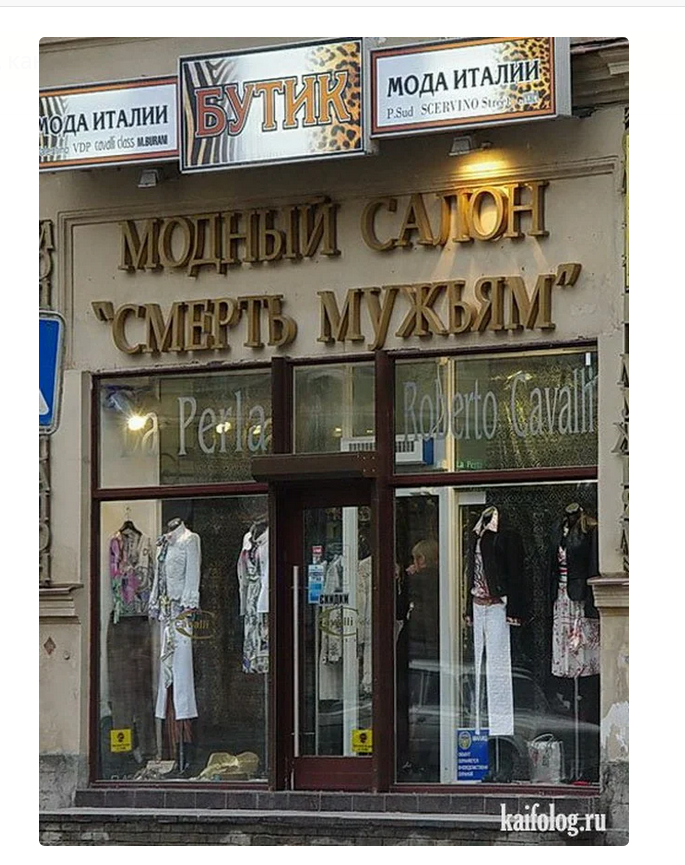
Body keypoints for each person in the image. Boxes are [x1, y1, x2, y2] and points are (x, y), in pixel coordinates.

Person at [396, 539, 440, 781]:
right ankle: (428, 758)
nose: (413, 564)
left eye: (417, 559)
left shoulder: (421, 579)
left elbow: (399, 609)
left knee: (414, 703)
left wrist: (404, 579)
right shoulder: (439, 579)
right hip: (431, 645)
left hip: (418, 645)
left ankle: (416, 757)